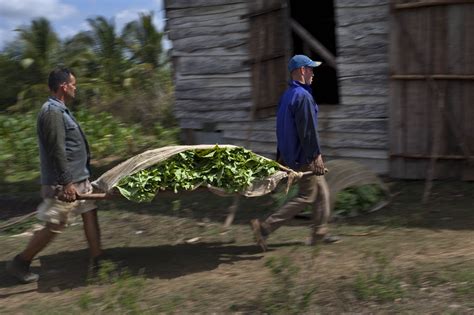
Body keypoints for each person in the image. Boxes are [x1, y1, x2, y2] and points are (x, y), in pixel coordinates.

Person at [6, 68, 103, 283]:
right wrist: (67, 182)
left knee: (90, 214)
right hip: (65, 184)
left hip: (79, 179)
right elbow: (56, 149)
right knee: (55, 225)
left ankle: (98, 262)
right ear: (64, 86)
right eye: (73, 84)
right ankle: (20, 262)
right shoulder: (51, 112)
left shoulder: (61, 110)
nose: (76, 87)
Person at [250, 55, 340, 251]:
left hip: (292, 154)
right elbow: (307, 130)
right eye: (310, 69)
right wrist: (316, 156)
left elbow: (281, 128)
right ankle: (265, 227)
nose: (313, 73)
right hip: (304, 156)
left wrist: (280, 155)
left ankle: (319, 233)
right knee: (307, 196)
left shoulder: (287, 96)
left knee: (322, 191)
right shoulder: (303, 97)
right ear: (301, 71)